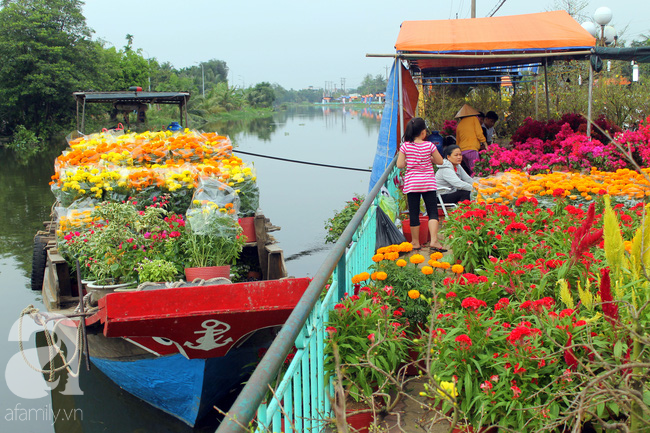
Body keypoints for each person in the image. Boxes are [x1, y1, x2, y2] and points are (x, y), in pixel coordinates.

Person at [397, 117, 447, 252]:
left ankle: (415, 242)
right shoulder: (429, 145)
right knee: (432, 212)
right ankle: (434, 241)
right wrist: (429, 158)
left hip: (412, 183)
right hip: (428, 183)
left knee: (414, 212)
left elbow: (400, 164)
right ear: (423, 132)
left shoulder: (405, 146)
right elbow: (440, 161)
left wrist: (410, 161)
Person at [455, 104, 486, 176]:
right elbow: (479, 133)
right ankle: (476, 186)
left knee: (471, 170)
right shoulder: (474, 119)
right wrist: (485, 144)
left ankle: (473, 184)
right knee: (476, 172)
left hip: (462, 151)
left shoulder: (460, 124)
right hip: (472, 149)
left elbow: (458, 141)